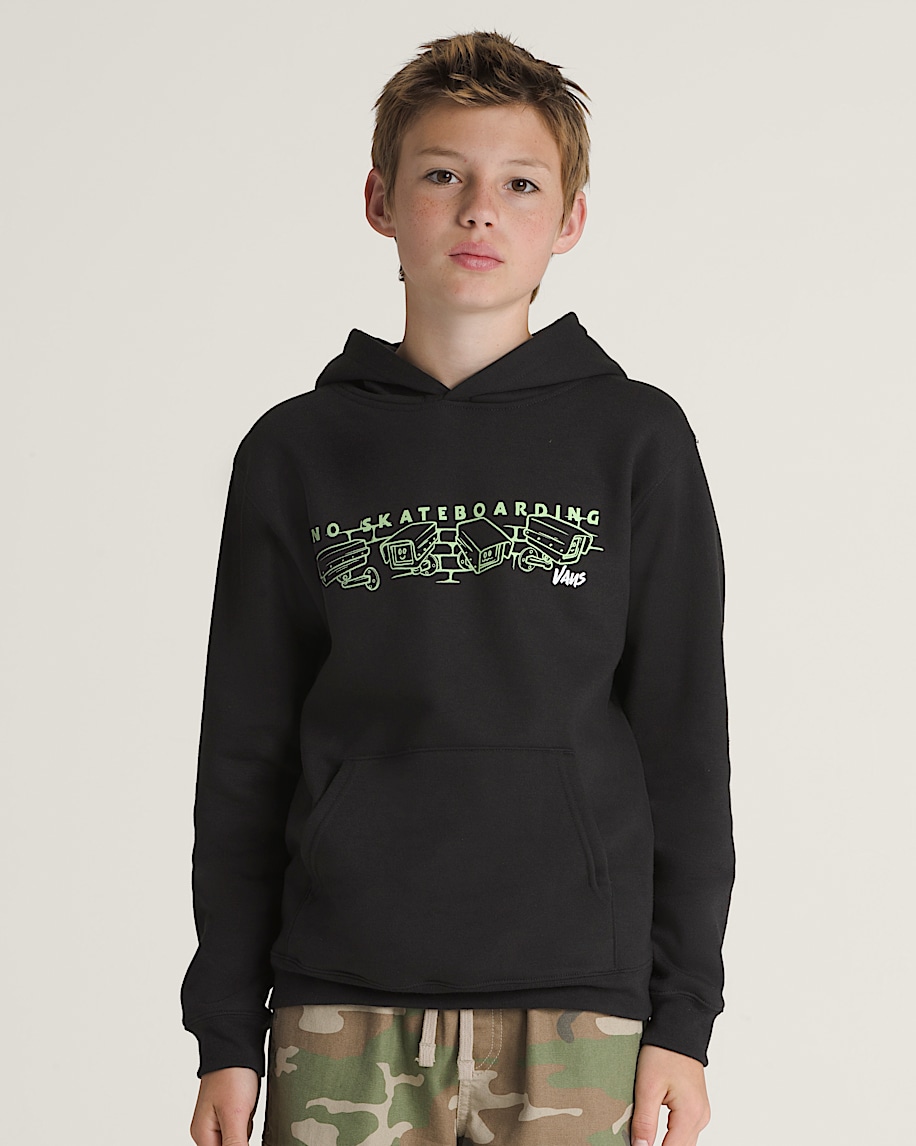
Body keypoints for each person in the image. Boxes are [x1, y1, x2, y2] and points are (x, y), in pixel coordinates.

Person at [182, 29, 735, 1146]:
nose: (480, 211)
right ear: (380, 201)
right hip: (339, 999)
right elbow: (242, 757)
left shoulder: (635, 439)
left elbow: (684, 743)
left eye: (520, 184)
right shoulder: (297, 451)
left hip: (580, 1005)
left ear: (569, 219)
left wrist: (683, 1016)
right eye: (443, 175)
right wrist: (227, 1032)